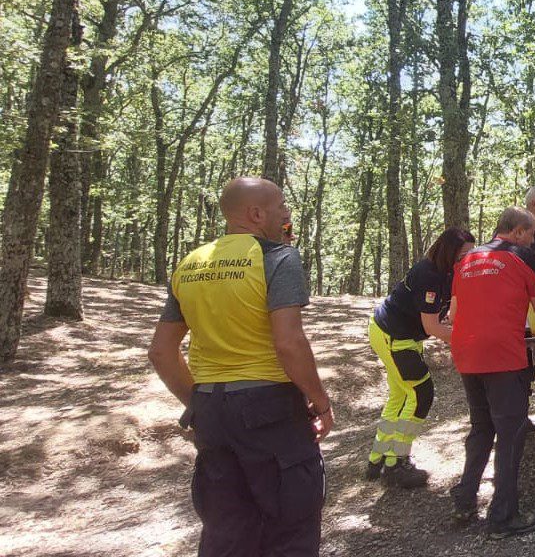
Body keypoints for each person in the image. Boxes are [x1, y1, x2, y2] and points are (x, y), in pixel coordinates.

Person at [147, 177, 331, 556]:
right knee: (291, 526)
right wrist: (320, 402)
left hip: (212, 412)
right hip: (271, 409)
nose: (287, 214)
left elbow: (162, 352)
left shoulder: (191, 264)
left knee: (225, 529)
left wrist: (199, 403)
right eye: (281, 206)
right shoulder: (279, 258)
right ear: (256, 213)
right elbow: (289, 343)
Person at [448, 207, 535, 537]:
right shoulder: (522, 257)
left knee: (480, 428)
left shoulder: (468, 260)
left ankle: (464, 500)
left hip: (467, 353)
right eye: (531, 235)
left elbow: (454, 311)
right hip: (503, 355)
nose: (533, 241)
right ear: (518, 232)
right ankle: (502, 517)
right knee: (510, 434)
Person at [364, 227, 476, 487]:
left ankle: (378, 457)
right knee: (421, 393)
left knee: (401, 394)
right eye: (464, 254)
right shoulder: (430, 275)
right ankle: (396, 464)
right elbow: (433, 327)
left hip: (403, 336)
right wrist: (470, 342)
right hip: (392, 335)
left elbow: (449, 315)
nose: (468, 259)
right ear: (449, 252)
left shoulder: (449, 273)